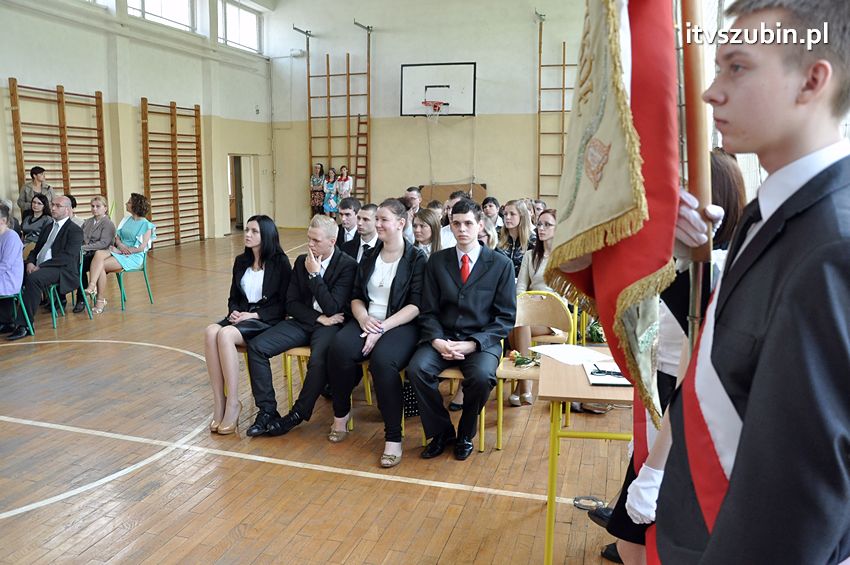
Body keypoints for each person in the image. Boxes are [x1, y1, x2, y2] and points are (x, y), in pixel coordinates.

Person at [627, 3, 850, 564]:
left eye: (738, 67)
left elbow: (801, 492)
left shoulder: (833, 246)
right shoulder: (768, 212)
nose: (710, 93)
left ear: (812, 80)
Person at [408, 198, 516, 461]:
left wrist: (473, 343)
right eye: (456, 223)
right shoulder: (436, 261)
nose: (462, 229)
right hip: (443, 337)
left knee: (481, 378)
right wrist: (436, 340)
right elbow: (428, 310)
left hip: (481, 341)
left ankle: (465, 433)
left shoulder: (501, 264)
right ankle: (441, 432)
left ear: (480, 226)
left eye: (468, 223)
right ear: (451, 226)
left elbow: (505, 318)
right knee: (416, 369)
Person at [327, 198, 426, 467]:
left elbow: (416, 305)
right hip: (368, 320)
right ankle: (341, 414)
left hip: (400, 324)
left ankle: (393, 438)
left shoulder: (416, 258)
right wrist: (363, 318)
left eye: (384, 220)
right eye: (377, 219)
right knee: (339, 348)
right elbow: (356, 297)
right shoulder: (370, 255)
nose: (378, 224)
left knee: (383, 362)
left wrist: (381, 328)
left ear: (400, 223)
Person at [244, 214, 356, 438]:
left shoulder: (347, 265)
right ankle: (267, 411)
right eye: (309, 239)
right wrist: (317, 317)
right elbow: (291, 303)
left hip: (332, 326)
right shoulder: (301, 261)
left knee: (318, 360)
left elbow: (333, 307)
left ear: (332, 242)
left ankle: (297, 414)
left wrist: (315, 275)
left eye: (316, 241)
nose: (310, 245)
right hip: (307, 321)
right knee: (257, 347)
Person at [204, 215, 292, 436]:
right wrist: (234, 311)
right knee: (210, 331)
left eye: (254, 231)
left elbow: (285, 305)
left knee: (224, 334)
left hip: (265, 321)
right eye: (247, 230)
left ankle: (234, 402)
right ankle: (220, 402)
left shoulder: (280, 263)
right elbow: (233, 296)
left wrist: (254, 315)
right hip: (241, 317)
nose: (248, 235)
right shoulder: (241, 261)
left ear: (267, 236)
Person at [7, 196, 83, 341]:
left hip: (61, 269)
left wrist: (40, 267)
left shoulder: (74, 230)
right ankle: (6, 320)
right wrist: (30, 262)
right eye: (52, 205)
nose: (53, 208)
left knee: (34, 279)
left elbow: (67, 257)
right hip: (39, 265)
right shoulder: (48, 227)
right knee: (10, 272)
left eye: (57, 206)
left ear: (67, 210)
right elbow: (35, 250)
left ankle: (25, 325)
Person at [509, 208, 558, 406]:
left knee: (518, 326)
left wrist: (543, 299)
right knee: (519, 323)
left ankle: (523, 385)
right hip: (531, 309)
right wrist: (527, 300)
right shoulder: (531, 255)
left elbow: (567, 293)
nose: (541, 228)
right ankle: (524, 383)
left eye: (547, 224)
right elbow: (521, 286)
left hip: (555, 313)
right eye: (539, 224)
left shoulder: (565, 255)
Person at [85, 193, 156, 315]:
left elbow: (142, 248)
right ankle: (92, 287)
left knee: (100, 265)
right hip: (120, 251)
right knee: (98, 254)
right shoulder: (126, 220)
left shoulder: (146, 225)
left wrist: (122, 250)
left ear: (135, 206)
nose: (126, 204)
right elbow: (117, 237)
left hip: (133, 256)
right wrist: (120, 245)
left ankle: (99, 299)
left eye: (129, 202)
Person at [74, 196, 116, 314]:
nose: (94, 209)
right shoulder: (87, 222)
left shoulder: (108, 224)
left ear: (105, 208)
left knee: (79, 266)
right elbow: (79, 237)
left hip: (101, 255)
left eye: (98, 206)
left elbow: (104, 243)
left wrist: (83, 247)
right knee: (73, 263)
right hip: (86, 253)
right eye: (92, 206)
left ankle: (81, 299)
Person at [0, 204, 24, 334]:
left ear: (3, 221)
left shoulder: (11, 237)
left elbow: (6, 265)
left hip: (8, 278)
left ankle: (6, 321)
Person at [497, 199, 536, 277]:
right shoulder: (497, 236)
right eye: (505, 214)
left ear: (522, 216)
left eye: (512, 214)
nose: (507, 217)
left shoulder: (533, 240)